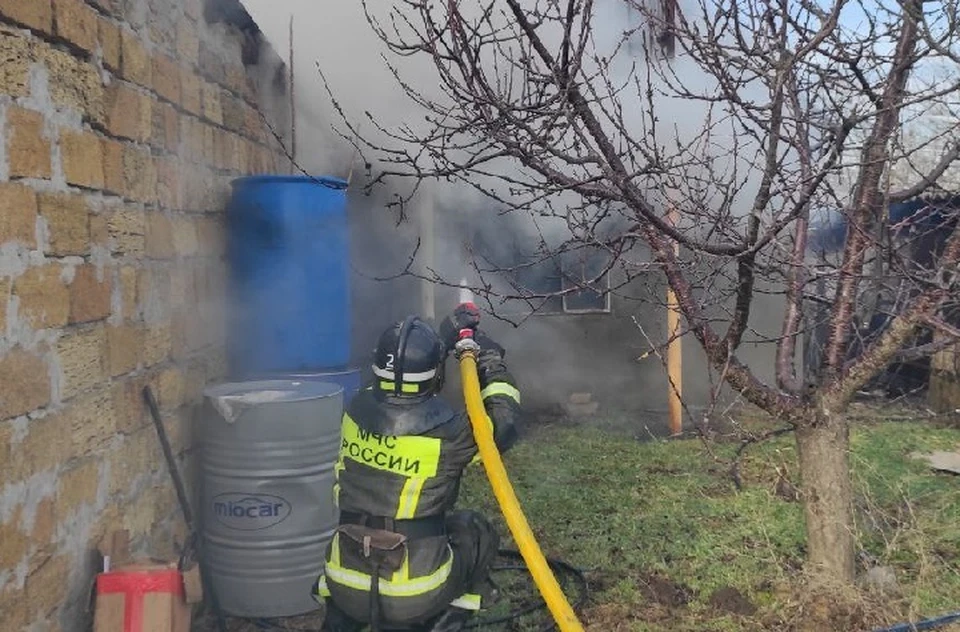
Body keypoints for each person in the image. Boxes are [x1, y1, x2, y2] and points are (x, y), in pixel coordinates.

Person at [313, 304, 522, 631]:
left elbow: (395, 373)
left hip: (343, 585)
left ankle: (341, 621)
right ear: (437, 375)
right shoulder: (449, 435)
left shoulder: (353, 410)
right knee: (475, 530)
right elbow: (504, 423)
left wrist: (441, 336)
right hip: (413, 595)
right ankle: (446, 621)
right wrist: (489, 359)